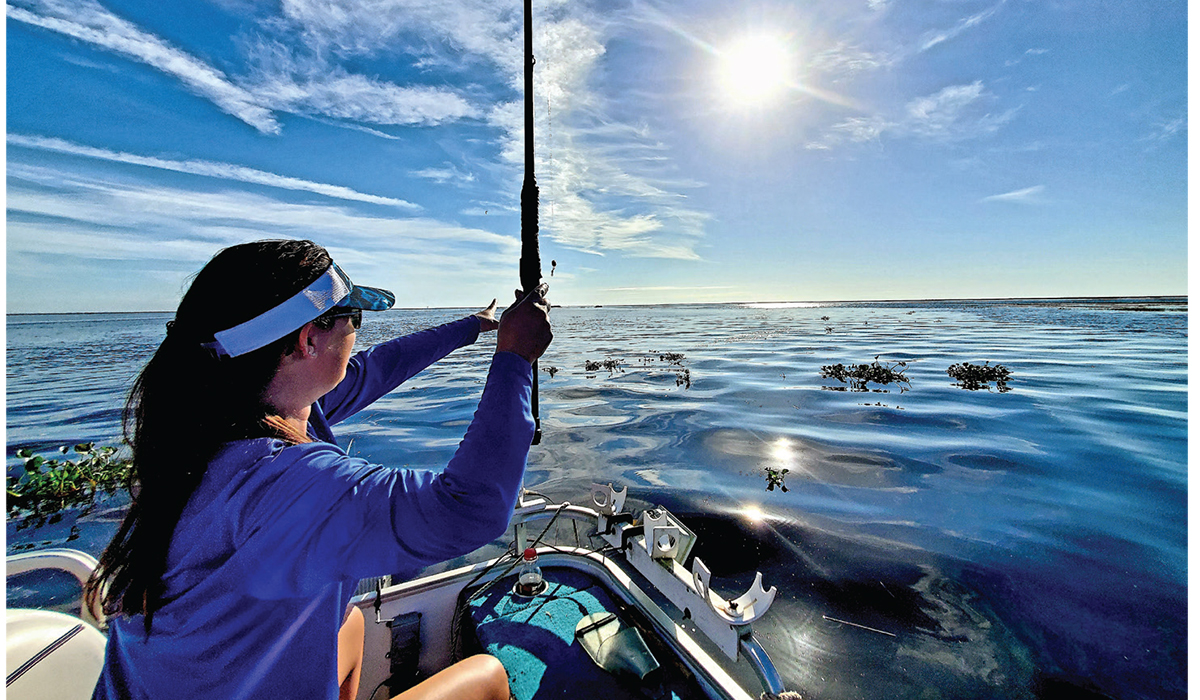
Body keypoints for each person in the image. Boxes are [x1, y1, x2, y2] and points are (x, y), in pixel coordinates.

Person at [85, 239, 553, 700]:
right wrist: (514, 359)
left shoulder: (218, 419)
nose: (358, 335)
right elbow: (467, 508)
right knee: (488, 675)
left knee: (349, 624)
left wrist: (475, 326)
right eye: (355, 319)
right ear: (309, 340)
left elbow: (377, 369)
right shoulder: (279, 487)